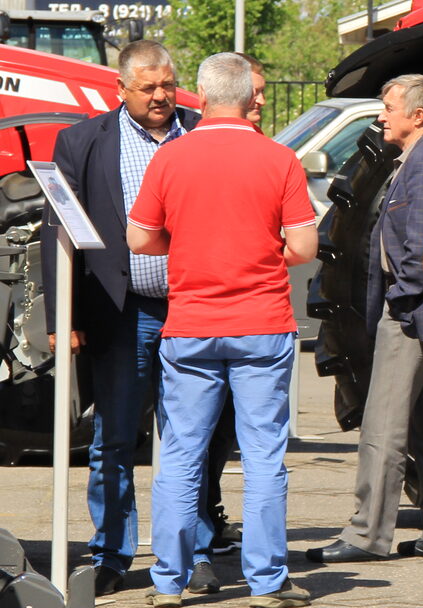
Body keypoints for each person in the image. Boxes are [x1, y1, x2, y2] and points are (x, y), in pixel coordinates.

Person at [125, 52, 318, 608]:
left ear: (202, 99)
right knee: (262, 455)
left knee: (182, 453)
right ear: (247, 97)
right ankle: (267, 581)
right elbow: (303, 247)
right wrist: (261, 251)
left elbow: (140, 240)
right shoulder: (279, 159)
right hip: (261, 323)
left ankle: (169, 581)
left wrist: (186, 244)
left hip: (190, 325)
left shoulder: (170, 158)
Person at [39, 40, 223, 599]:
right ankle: (113, 553)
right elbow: (57, 230)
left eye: (168, 84)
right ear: (121, 90)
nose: (162, 95)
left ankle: (194, 551)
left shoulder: (201, 135)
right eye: (148, 87)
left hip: (196, 307)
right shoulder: (83, 141)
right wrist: (60, 313)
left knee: (195, 437)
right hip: (121, 314)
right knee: (114, 437)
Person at [310, 74, 423, 563]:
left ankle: (366, 535)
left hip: (414, 314)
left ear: (418, 115)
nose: (381, 115)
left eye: (388, 107)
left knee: (383, 428)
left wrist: (403, 295)